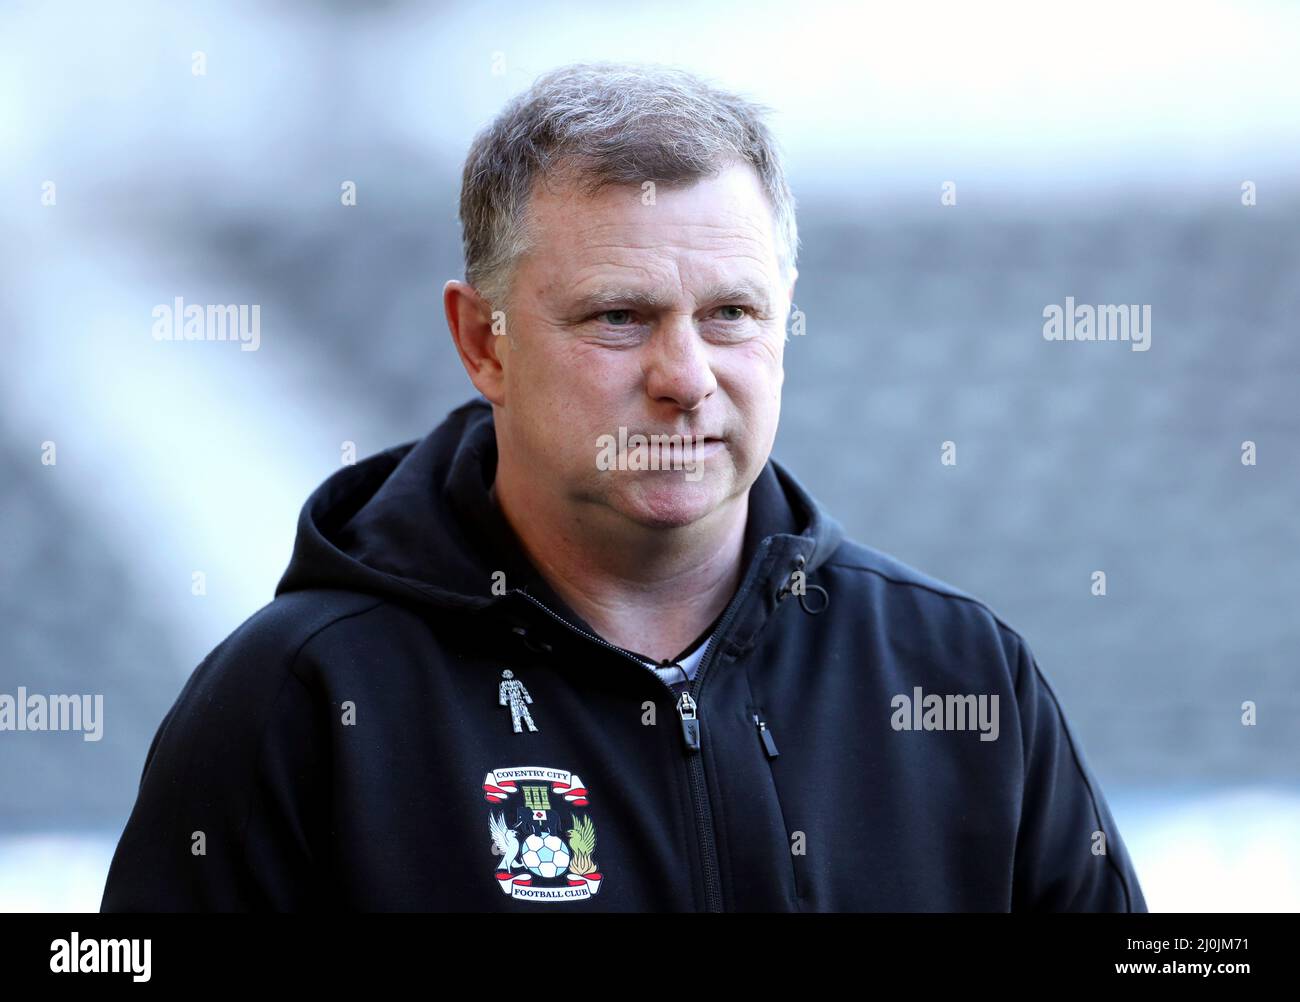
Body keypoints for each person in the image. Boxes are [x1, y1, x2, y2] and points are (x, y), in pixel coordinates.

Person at [101, 61, 1146, 911]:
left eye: (731, 313)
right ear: (483, 341)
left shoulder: (960, 674)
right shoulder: (298, 703)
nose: (684, 378)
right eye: (619, 317)